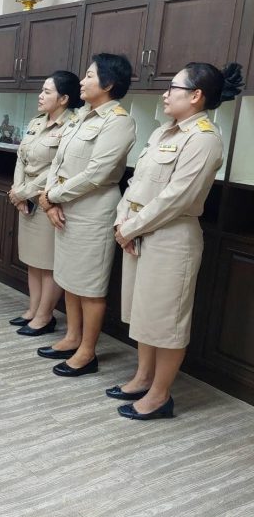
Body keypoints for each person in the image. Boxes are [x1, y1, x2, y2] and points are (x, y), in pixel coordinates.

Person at [110, 62, 243, 420]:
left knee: (167, 321)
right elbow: (136, 183)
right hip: (139, 232)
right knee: (144, 315)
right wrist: (122, 220)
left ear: (196, 96)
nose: (166, 94)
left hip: (171, 240)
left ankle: (160, 396)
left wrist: (131, 228)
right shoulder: (162, 133)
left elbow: (177, 198)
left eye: (173, 88)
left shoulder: (204, 139)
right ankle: (142, 378)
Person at [37, 54, 136, 376]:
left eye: (90, 76)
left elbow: (97, 173)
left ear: (108, 84)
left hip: (93, 211)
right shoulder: (81, 116)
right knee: (70, 279)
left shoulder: (119, 122)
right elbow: (57, 162)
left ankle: (87, 352)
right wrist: (50, 200)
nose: (82, 81)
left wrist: (52, 196)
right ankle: (72, 337)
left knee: (90, 286)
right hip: (65, 206)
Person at [8, 71, 83, 336]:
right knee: (33, 260)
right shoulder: (37, 121)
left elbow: (56, 168)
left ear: (64, 98)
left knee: (48, 262)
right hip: (26, 197)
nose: (40, 96)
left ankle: (44, 315)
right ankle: (33, 309)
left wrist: (25, 192)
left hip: (47, 198)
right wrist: (18, 190)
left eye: (47, 92)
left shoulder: (72, 125)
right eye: (42, 90)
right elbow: (21, 157)